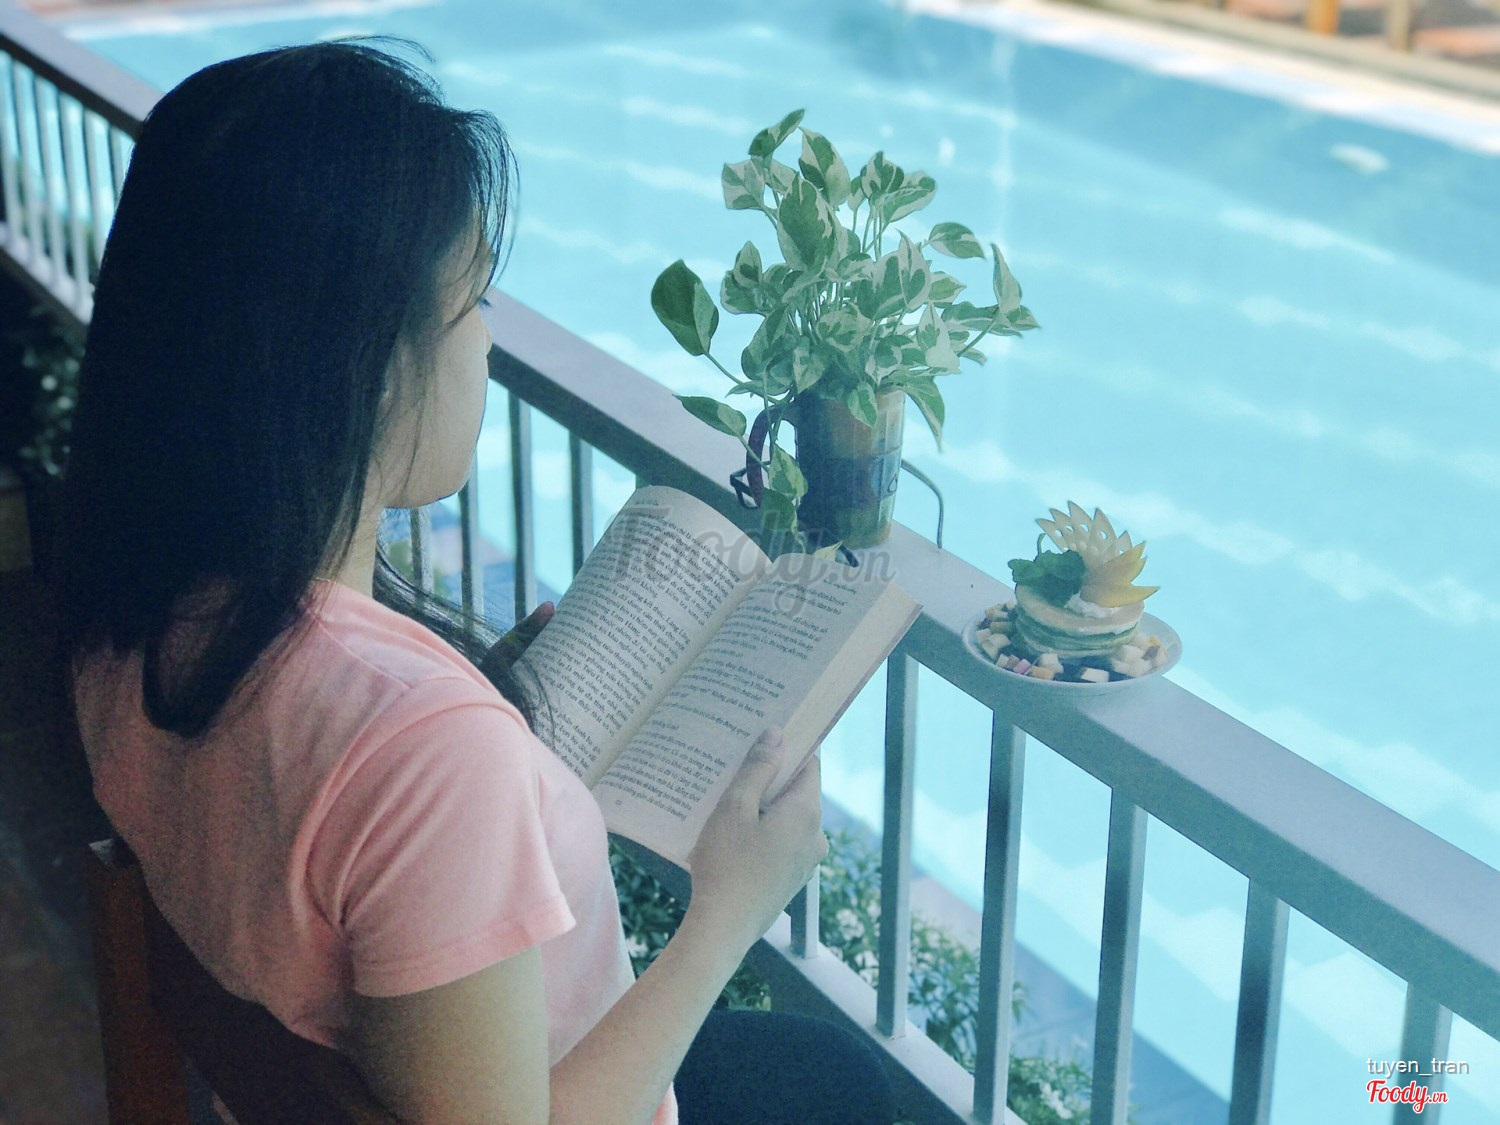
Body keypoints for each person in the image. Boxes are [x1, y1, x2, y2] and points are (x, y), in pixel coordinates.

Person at [58, 38, 895, 1125]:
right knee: (844, 1083)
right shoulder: (422, 752)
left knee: (819, 1071)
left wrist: (464, 709)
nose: (488, 344)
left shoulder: (132, 608)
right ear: (361, 362)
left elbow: (320, 810)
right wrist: (732, 909)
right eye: (475, 300)